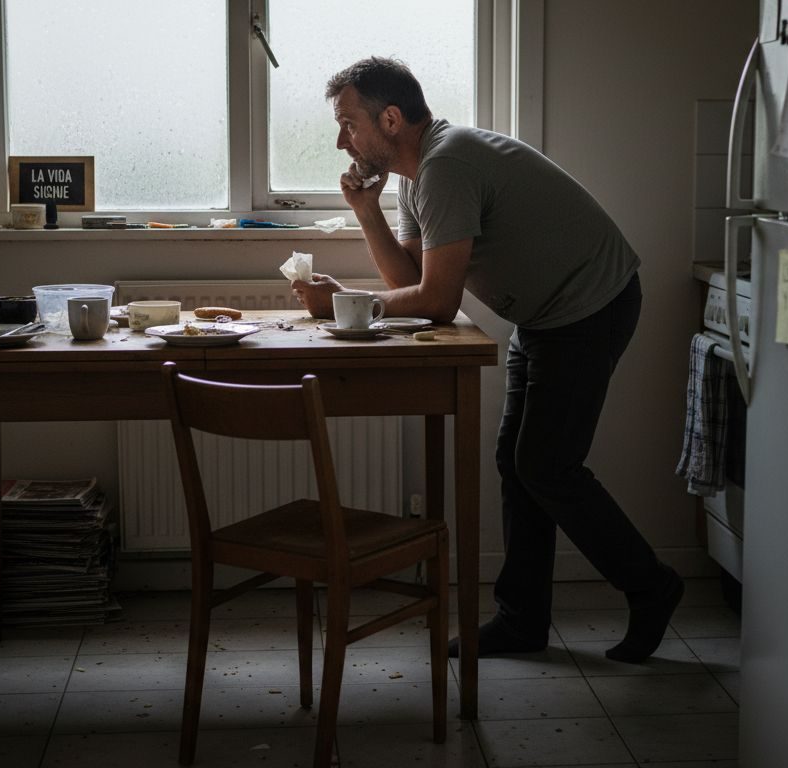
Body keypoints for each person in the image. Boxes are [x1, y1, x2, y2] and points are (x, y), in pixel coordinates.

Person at [291, 57, 683, 663]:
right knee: (518, 462)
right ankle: (522, 623)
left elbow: (438, 303)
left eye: (347, 123)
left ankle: (652, 587)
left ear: (390, 119)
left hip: (589, 305)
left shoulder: (447, 164)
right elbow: (416, 287)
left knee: (546, 466)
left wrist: (345, 303)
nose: (341, 139)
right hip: (546, 314)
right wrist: (366, 213)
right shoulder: (415, 178)